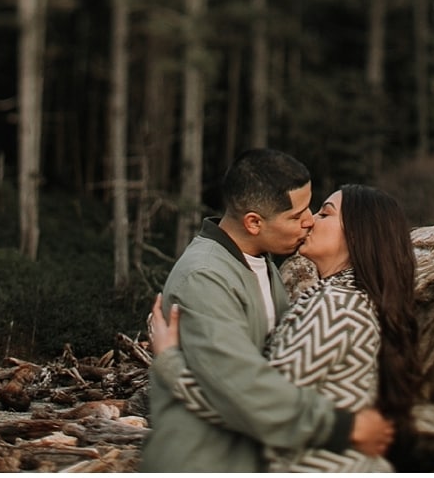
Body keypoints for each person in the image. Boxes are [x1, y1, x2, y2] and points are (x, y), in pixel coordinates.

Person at [140, 150, 396, 473]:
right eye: (297, 215)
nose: (309, 221)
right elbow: (244, 397)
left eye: (315, 210)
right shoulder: (204, 276)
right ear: (253, 222)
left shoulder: (267, 265)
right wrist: (346, 427)